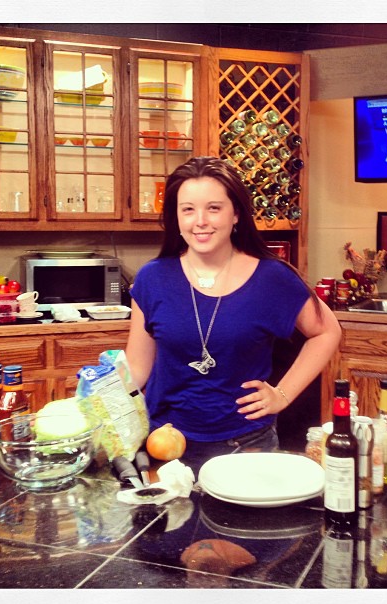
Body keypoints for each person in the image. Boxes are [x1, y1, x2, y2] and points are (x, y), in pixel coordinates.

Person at [126, 156, 341, 473]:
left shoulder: (272, 278)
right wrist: (96, 399)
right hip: (164, 444)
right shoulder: (152, 278)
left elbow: (327, 331)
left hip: (246, 444)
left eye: (214, 208)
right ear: (176, 217)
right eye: (188, 209)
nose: (200, 221)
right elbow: (137, 366)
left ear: (236, 213)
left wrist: (282, 394)